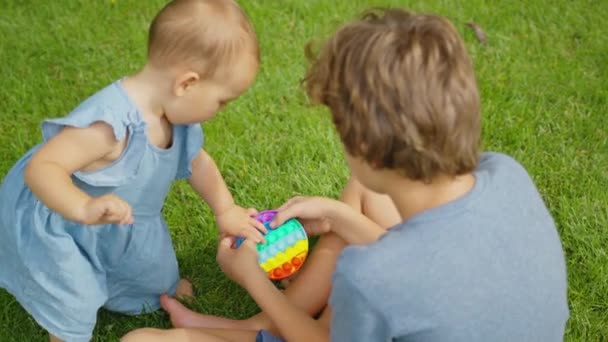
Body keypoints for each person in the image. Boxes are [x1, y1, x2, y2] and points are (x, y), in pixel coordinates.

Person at [122, 8, 569, 342]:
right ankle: (243, 326)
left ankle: (239, 330)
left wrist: (253, 278)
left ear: (365, 152)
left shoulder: (370, 277)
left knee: (141, 341)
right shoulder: (507, 174)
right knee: (357, 206)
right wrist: (338, 215)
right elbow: (433, 263)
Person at [0, 1, 263, 341]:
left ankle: (131, 287)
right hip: (61, 221)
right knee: (73, 296)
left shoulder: (177, 119)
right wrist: (82, 207)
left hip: (124, 218)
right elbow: (41, 168)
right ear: (187, 84)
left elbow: (197, 161)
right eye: (223, 101)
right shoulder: (109, 125)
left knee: (153, 272)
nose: (220, 111)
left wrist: (225, 209)